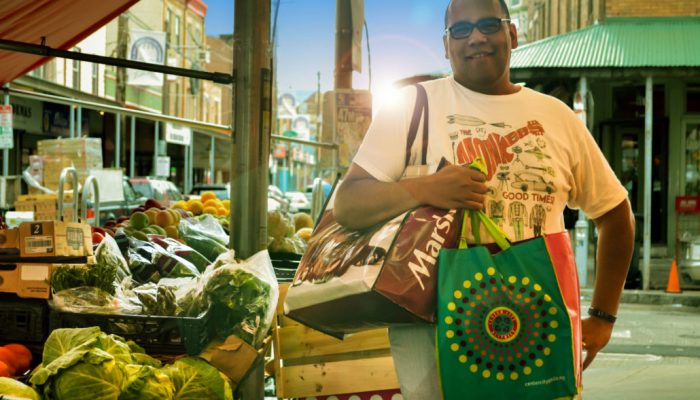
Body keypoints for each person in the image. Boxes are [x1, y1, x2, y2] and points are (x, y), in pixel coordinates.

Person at [333, 0, 635, 398]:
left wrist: (603, 316)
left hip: (538, 338)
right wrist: (425, 189)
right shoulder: (411, 107)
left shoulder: (556, 116)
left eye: (488, 25)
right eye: (461, 30)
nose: (475, 37)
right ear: (445, 45)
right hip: (434, 347)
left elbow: (615, 214)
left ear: (512, 34)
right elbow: (349, 204)